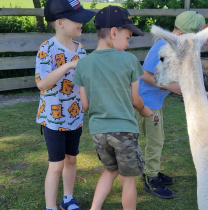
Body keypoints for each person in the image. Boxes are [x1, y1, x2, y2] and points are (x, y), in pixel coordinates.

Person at [72, 6, 154, 210]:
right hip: (124, 131)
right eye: (127, 38)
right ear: (114, 32)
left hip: (98, 132)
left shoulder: (83, 64)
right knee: (128, 180)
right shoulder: (129, 60)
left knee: (110, 171)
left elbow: (85, 105)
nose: (127, 44)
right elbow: (136, 100)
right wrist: (145, 111)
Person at [135, 11, 208, 199]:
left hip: (154, 101)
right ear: (183, 35)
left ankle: (151, 169)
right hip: (146, 102)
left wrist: (202, 93)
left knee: (158, 137)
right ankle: (151, 177)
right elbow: (145, 74)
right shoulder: (163, 46)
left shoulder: (174, 46)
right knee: (155, 141)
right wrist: (170, 87)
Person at [35, 0, 95, 209]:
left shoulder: (82, 50)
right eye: (77, 19)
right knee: (56, 165)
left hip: (75, 117)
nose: (82, 23)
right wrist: (68, 64)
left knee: (71, 160)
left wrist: (87, 104)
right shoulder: (46, 49)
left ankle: (67, 199)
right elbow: (42, 83)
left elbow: (83, 84)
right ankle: (50, 206)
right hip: (53, 119)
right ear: (59, 22)